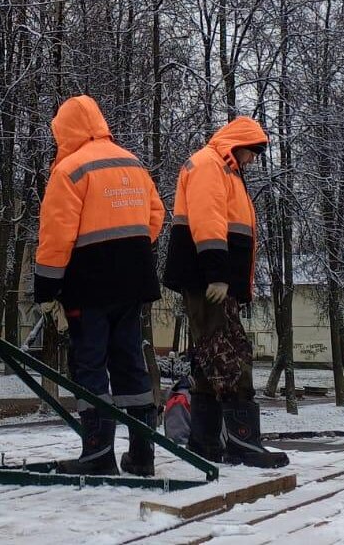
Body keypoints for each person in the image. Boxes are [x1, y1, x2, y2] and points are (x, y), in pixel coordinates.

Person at [34, 95, 165, 476]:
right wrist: (131, 248)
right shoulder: (132, 162)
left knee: (89, 363)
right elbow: (155, 216)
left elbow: (56, 235)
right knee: (130, 363)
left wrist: (46, 289)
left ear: (65, 129)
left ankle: (97, 455)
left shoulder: (69, 170)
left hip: (88, 283)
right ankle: (142, 456)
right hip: (133, 279)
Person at [163, 116, 288, 469]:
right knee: (230, 355)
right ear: (237, 144)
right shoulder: (209, 165)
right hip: (208, 281)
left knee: (210, 357)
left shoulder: (224, 169)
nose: (252, 161)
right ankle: (242, 443)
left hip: (211, 282)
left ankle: (206, 445)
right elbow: (209, 221)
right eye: (252, 152)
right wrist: (218, 275)